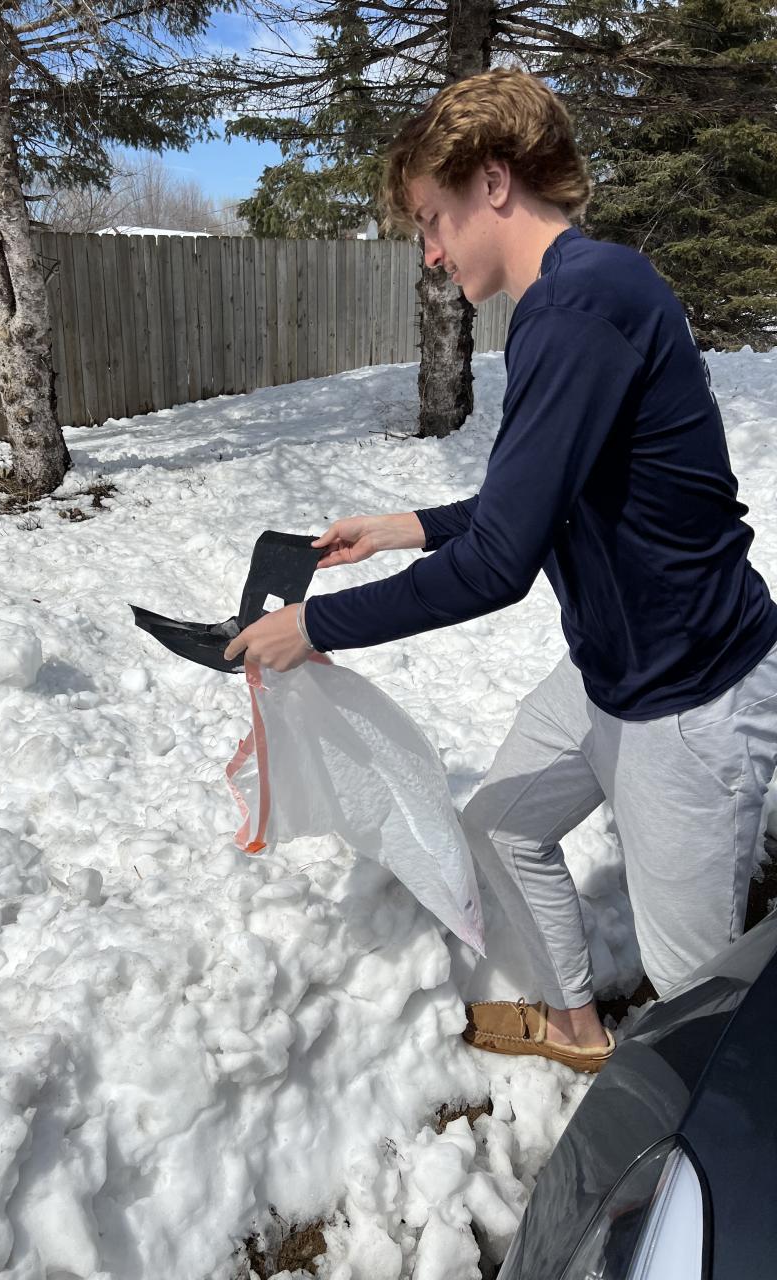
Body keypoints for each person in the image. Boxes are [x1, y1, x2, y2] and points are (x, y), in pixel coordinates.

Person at [224, 67, 777, 1072]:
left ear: (491, 181)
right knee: (502, 827)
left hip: (692, 695)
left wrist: (313, 626)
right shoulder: (568, 301)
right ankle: (577, 1029)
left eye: (432, 221)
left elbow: (499, 565)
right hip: (613, 665)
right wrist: (403, 527)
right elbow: (540, 500)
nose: (431, 253)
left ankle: (699, 1143)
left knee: (700, 1002)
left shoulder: (580, 307)